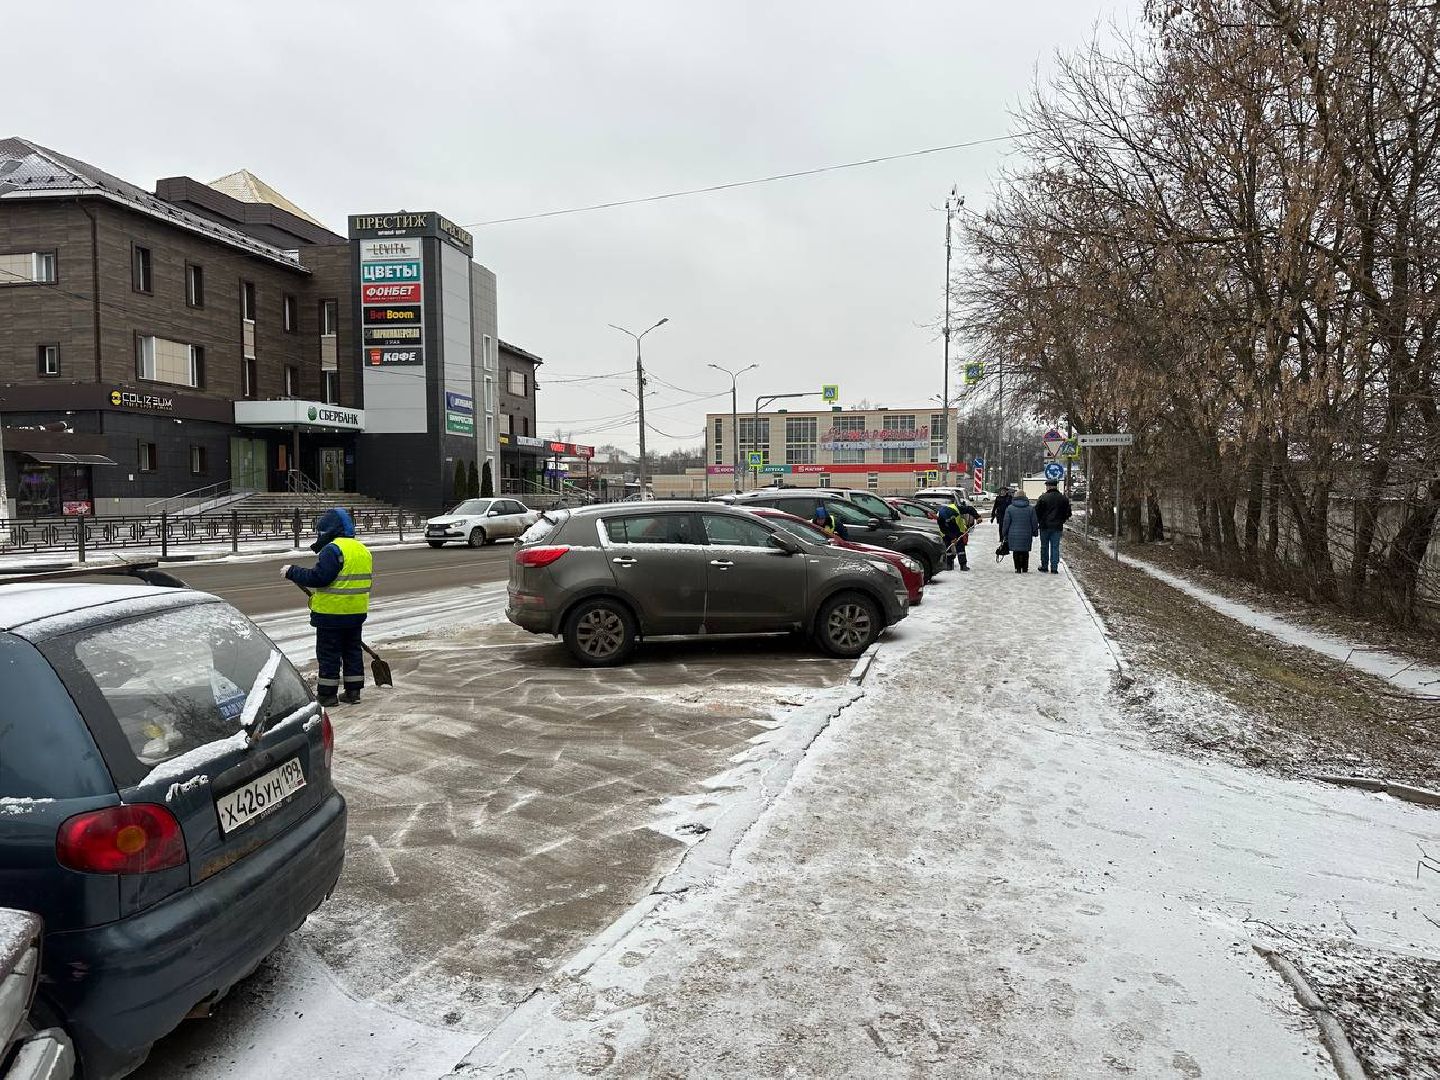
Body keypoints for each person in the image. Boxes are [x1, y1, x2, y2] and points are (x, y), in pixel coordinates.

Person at [282, 507, 372, 706]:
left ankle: (327, 695)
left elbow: (320, 577)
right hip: (356, 613)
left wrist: (293, 572)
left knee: (329, 654)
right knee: (352, 651)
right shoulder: (362, 549)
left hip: (332, 615)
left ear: (330, 529)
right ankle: (353, 692)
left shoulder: (333, 549)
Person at [1035, 478, 1073, 573]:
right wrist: (1062, 520)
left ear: (1048, 486)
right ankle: (1054, 567)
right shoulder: (1063, 498)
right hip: (1057, 527)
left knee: (1044, 546)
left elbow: (1037, 512)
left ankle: (1044, 566)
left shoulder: (1043, 497)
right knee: (1055, 547)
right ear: (1056, 486)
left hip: (1044, 526)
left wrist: (1040, 521)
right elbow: (1068, 513)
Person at [1001, 487, 1039, 572]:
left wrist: (1004, 533)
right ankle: (1025, 568)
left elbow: (1006, 522)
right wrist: (1035, 532)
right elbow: (1034, 522)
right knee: (1025, 551)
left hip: (1013, 534)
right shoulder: (1030, 508)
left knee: (1016, 551)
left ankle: (1017, 568)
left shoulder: (1010, 508)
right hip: (1027, 534)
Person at [935, 498, 968, 570]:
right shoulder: (940, 518)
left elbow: (954, 526)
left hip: (956, 531)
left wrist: (955, 537)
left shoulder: (952, 513)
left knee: (960, 548)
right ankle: (949, 565)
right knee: (948, 549)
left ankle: (963, 565)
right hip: (945, 534)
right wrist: (952, 538)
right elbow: (944, 530)